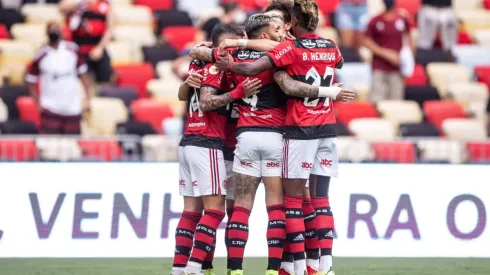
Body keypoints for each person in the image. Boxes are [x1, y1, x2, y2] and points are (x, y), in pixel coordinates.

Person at [214, 0, 355, 274]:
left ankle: (256, 268)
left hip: (271, 134)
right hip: (308, 131)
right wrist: (328, 90)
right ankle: (311, 266)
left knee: (256, 206)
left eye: (283, 24)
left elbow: (254, 68)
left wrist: (228, 57)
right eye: (276, 26)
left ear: (292, 23)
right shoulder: (321, 46)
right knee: (306, 201)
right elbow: (336, 61)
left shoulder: (284, 50)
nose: (281, 30)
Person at [171, 23, 252, 275]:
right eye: (239, 42)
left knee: (192, 211)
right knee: (215, 211)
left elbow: (184, 94)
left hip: (189, 141)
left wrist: (188, 81)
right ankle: (195, 266)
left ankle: (179, 267)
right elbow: (205, 102)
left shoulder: (198, 63)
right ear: (227, 44)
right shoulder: (216, 65)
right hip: (208, 142)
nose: (243, 46)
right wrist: (238, 92)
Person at [25, 21, 92, 135]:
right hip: (50, 107)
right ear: (46, 33)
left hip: (72, 107)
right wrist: (37, 102)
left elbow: (84, 75)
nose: (54, 32)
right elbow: (30, 80)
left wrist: (88, 98)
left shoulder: (72, 50)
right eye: (51, 29)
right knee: (49, 146)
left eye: (56, 29)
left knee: (72, 146)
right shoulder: (41, 55)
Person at [363, 0, 415, 103]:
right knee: (376, 100)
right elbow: (366, 41)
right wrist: (386, 54)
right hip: (379, 66)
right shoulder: (376, 20)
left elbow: (409, 38)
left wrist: (408, 63)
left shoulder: (403, 18)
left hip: (397, 67)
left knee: (396, 101)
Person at [59, 0, 113, 85]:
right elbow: (62, 8)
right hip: (78, 50)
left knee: (105, 76)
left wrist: (100, 48)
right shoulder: (77, 4)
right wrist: (80, 3)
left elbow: (109, 30)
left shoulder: (104, 5)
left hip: (97, 49)